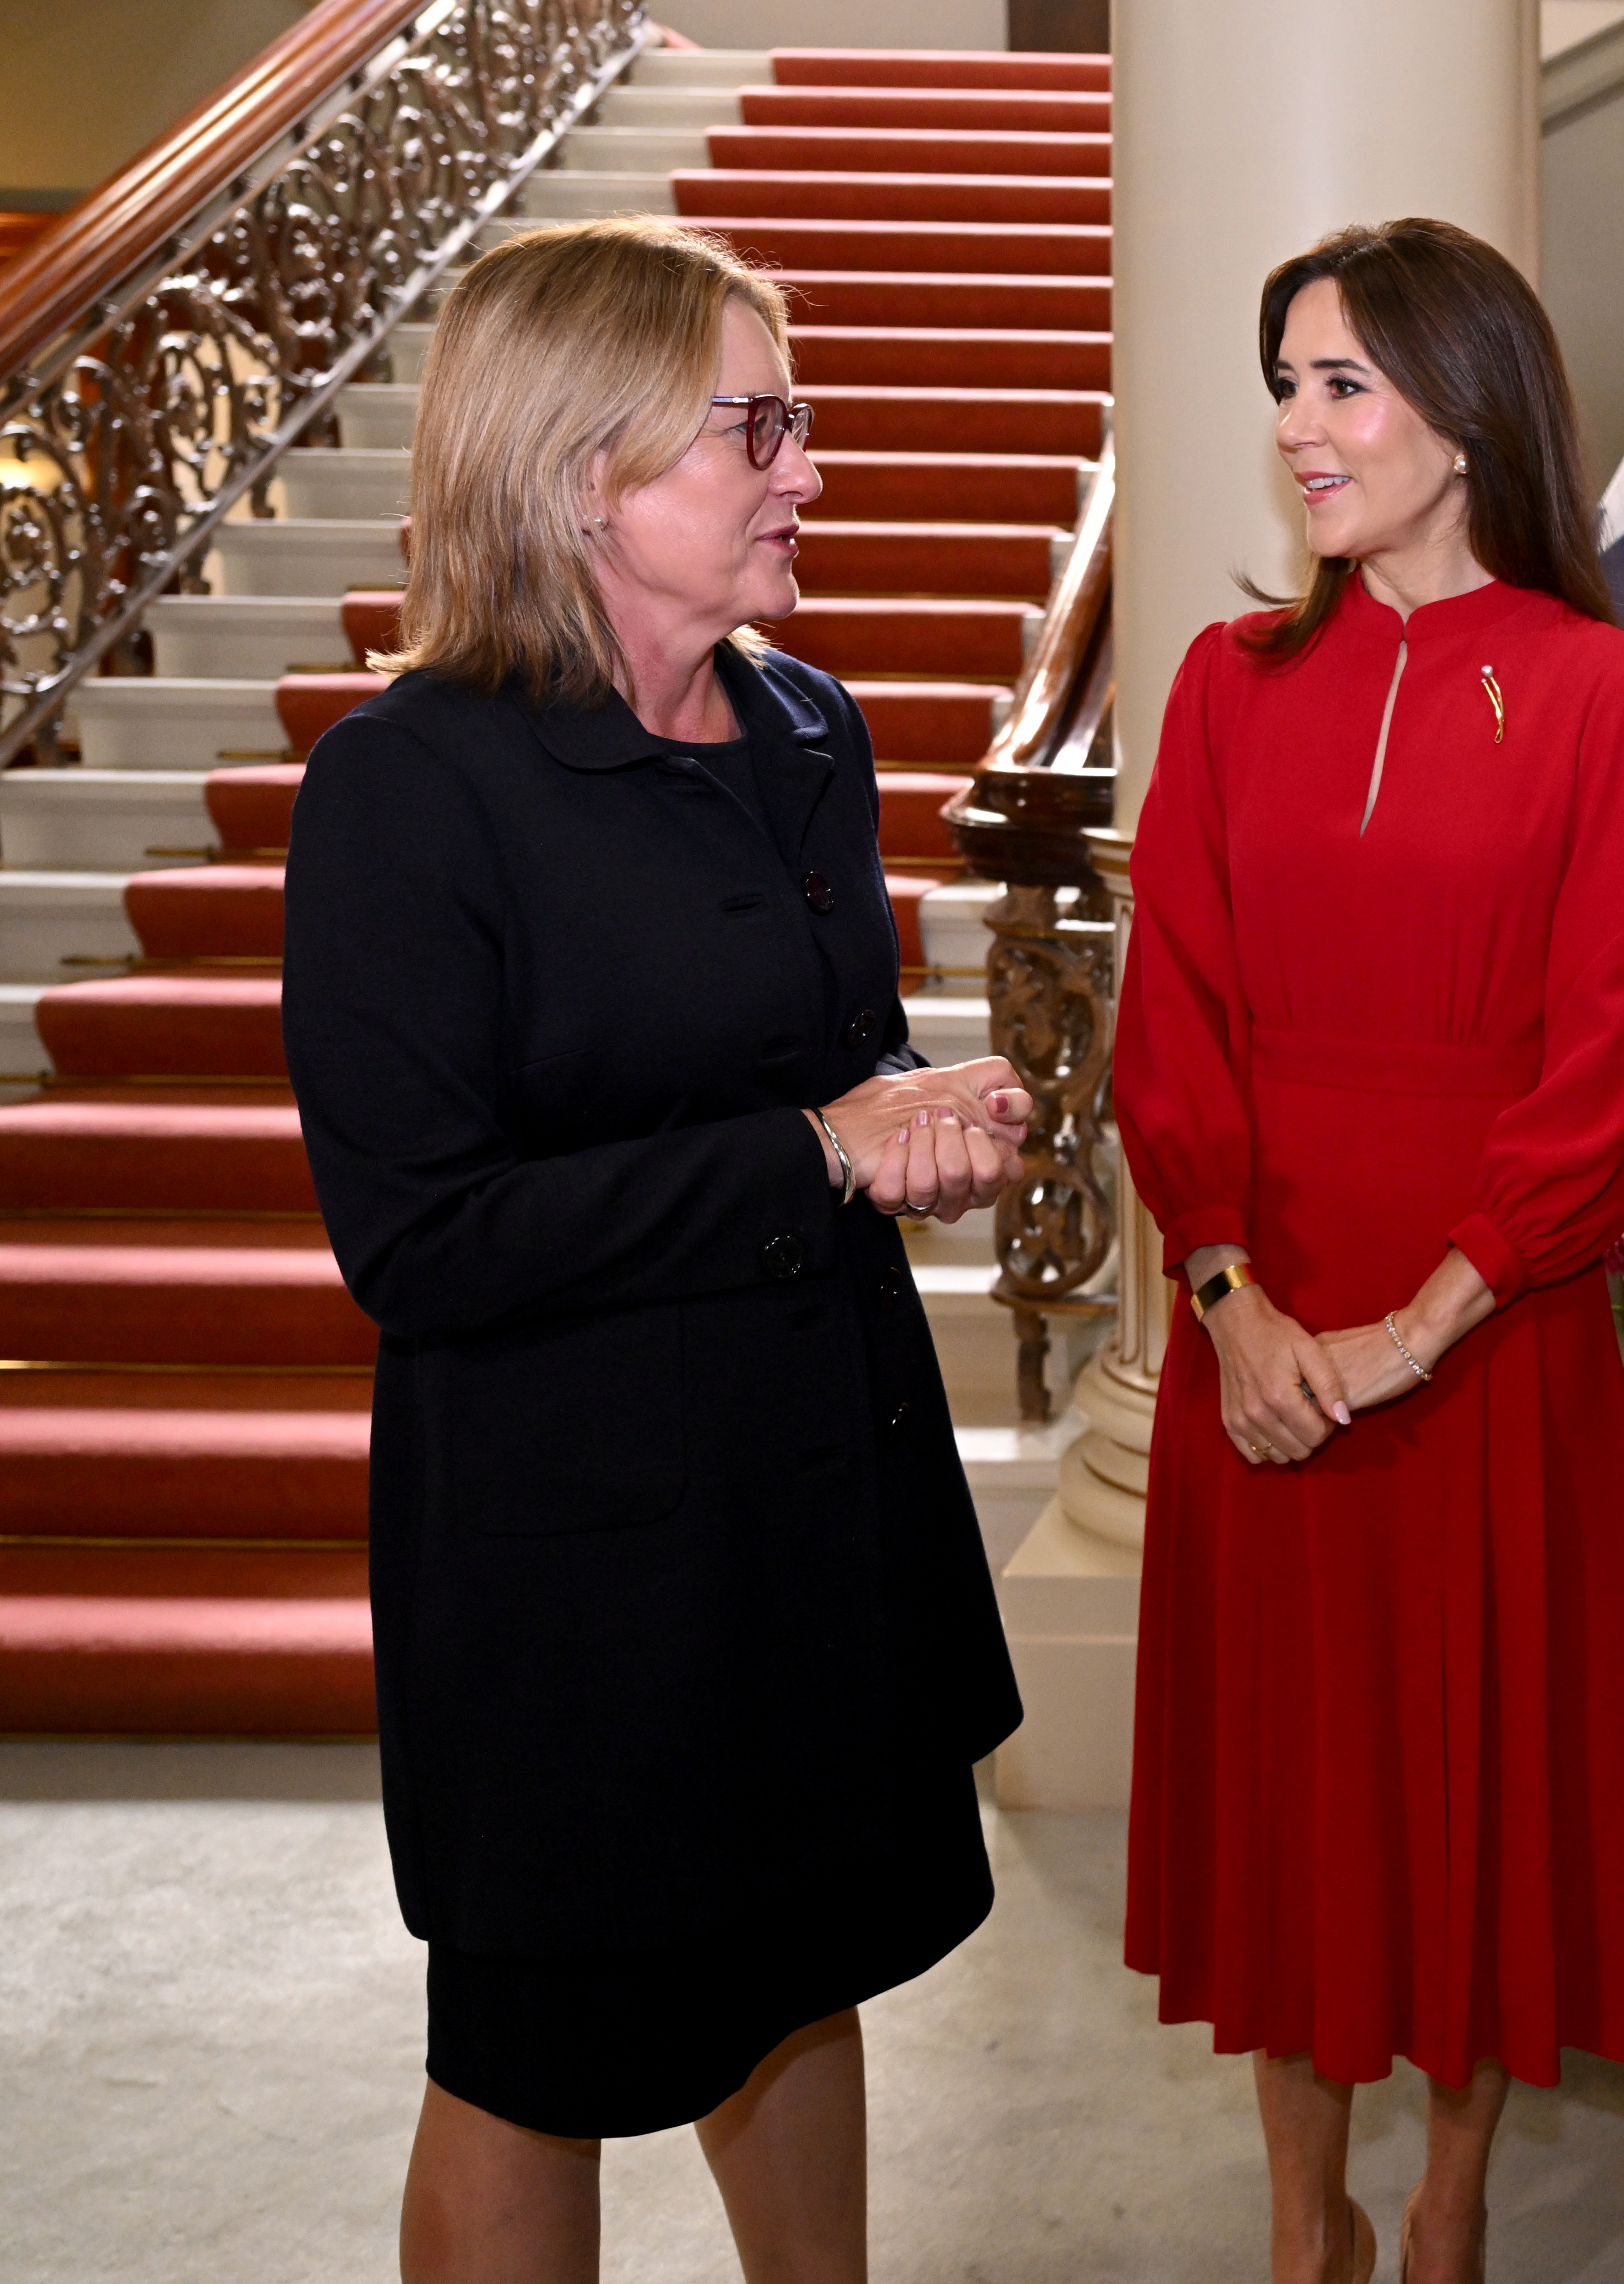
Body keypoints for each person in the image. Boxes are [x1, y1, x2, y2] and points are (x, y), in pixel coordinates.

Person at [281, 216, 1029, 2281]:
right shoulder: (406, 788)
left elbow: (828, 1052)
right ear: (578, 468)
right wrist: (812, 1150)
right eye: (755, 427)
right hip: (579, 1568)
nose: (807, 469)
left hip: (822, 1506)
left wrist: (918, 1114)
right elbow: (419, 1237)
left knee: (806, 1978)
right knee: (536, 2060)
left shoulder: (807, 727)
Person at [1113, 217, 1624, 2284]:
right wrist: (1226, 1294)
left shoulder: (1612, 696)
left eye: (1338, 381)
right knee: (1291, 1809)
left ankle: (1444, 2202)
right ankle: (1305, 2220)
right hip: (1252, 1331)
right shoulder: (1221, 677)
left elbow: (1606, 1066)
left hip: (1486, 1339)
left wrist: (1413, 1330)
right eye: (1283, 381)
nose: (1296, 425)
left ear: (1464, 415)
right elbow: (1167, 1006)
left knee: (1469, 1799)